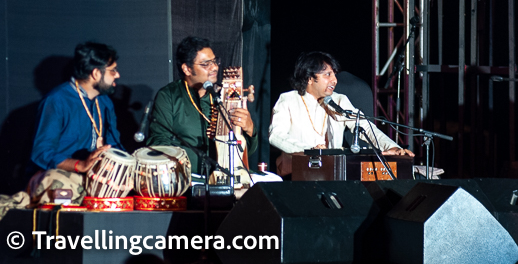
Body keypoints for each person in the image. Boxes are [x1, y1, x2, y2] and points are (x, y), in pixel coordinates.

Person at [147, 36, 279, 187]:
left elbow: (242, 152)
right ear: (187, 69)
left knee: (273, 181)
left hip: (225, 176)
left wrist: (249, 129)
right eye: (206, 64)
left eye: (215, 61)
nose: (215, 67)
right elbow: (159, 142)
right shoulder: (169, 96)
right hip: (188, 178)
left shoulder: (224, 97)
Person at [270, 51, 414, 176]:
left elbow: (365, 126)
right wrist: (308, 151)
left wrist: (392, 147)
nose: (334, 80)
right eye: (327, 74)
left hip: (331, 174)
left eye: (334, 74)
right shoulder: (288, 100)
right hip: (295, 175)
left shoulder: (338, 100)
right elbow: (276, 135)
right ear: (309, 78)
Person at [27, 42, 124, 205]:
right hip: (59, 176)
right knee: (59, 184)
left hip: (94, 177)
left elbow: (114, 144)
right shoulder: (57, 100)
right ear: (95, 73)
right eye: (112, 70)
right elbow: (41, 152)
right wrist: (81, 165)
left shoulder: (105, 102)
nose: (117, 75)